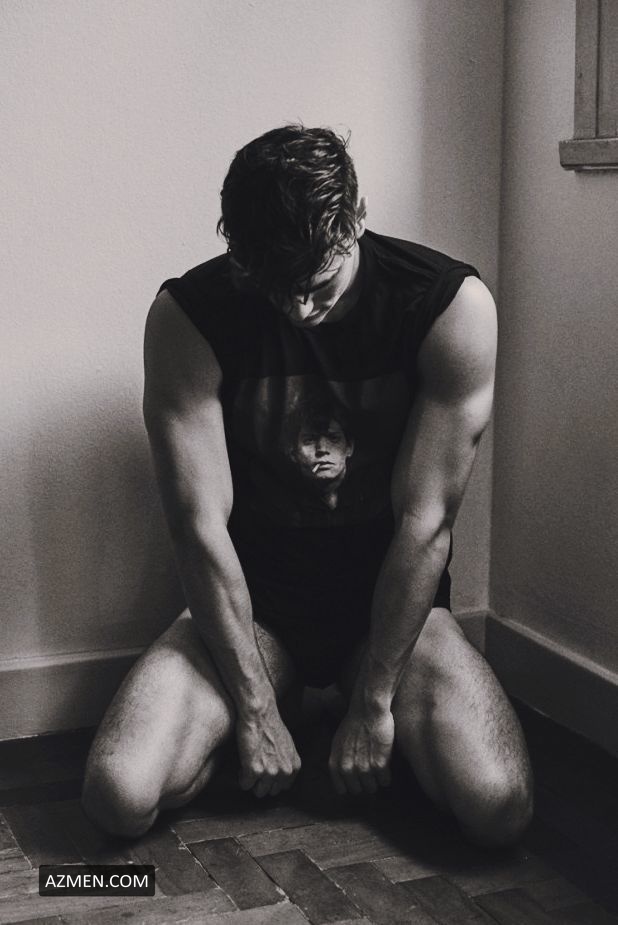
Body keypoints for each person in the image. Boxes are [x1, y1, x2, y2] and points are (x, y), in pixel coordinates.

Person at [82, 125, 533, 846]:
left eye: (315, 286)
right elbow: (198, 528)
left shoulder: (447, 306)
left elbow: (426, 525)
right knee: (118, 795)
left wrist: (375, 703)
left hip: (388, 613)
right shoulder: (189, 315)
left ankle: (355, 718)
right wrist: (255, 706)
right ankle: (285, 711)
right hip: (255, 611)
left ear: (356, 220)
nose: (296, 310)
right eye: (274, 289)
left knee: (498, 808)